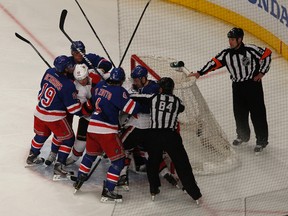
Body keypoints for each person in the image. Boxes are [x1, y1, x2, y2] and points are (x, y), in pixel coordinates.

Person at [189, 27, 272, 153]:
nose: (230, 42)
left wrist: (261, 73)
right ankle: (243, 136)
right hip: (237, 87)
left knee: (258, 113)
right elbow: (214, 63)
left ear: (240, 39)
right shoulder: (226, 54)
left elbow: (267, 54)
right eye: (229, 39)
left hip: (253, 86)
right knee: (239, 113)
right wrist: (199, 73)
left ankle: (261, 141)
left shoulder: (251, 49)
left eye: (233, 39)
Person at [73, 67, 142, 203]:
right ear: (121, 81)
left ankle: (80, 179)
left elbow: (90, 105)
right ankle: (108, 191)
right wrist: (138, 98)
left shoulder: (99, 86)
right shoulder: (120, 91)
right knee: (118, 161)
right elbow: (133, 109)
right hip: (107, 131)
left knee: (90, 155)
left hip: (92, 127)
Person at [45, 40, 112, 166]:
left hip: (98, 111)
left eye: (81, 52)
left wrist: (102, 71)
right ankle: (55, 153)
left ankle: (107, 151)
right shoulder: (77, 86)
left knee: (107, 132)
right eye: (76, 52)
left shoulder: (91, 64)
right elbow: (80, 109)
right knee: (65, 131)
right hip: (71, 104)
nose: (79, 55)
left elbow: (108, 67)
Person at [118, 65, 178, 190]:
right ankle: (166, 173)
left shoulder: (154, 89)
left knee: (121, 147)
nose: (134, 82)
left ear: (144, 78)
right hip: (151, 128)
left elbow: (146, 108)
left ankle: (122, 175)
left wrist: (133, 101)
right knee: (148, 152)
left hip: (140, 126)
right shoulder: (143, 86)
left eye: (136, 80)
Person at [25, 55, 86, 179]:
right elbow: (73, 109)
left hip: (39, 111)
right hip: (55, 117)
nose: (71, 67)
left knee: (41, 135)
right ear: (64, 69)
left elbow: (40, 92)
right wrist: (86, 110)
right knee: (68, 139)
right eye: (68, 66)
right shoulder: (68, 85)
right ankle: (59, 166)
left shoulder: (48, 72)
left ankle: (32, 156)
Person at [145, 77, 202, 204]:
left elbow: (138, 97)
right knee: (183, 164)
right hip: (171, 136)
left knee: (153, 162)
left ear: (160, 88)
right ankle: (195, 194)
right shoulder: (177, 101)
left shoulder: (153, 98)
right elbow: (181, 108)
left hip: (154, 135)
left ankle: (154, 189)